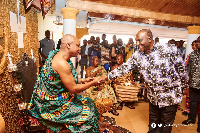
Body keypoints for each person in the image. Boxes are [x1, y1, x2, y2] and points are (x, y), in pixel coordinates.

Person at [101, 29, 188, 133]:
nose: (137, 44)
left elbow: (182, 69)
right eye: (136, 41)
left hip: (170, 97)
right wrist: (106, 76)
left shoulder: (168, 49)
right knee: (153, 126)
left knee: (165, 128)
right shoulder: (138, 55)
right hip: (153, 97)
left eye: (139, 40)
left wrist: (185, 86)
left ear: (149, 39)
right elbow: (124, 67)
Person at [28, 34, 104, 133]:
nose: (79, 48)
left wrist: (84, 80)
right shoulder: (61, 63)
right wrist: (93, 82)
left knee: (89, 102)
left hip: (55, 98)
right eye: (77, 45)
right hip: (51, 105)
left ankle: (95, 128)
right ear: (68, 45)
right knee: (89, 113)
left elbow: (61, 79)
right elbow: (74, 89)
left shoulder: (56, 54)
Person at [182, 38, 200, 133]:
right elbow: (188, 69)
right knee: (193, 102)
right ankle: (191, 119)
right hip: (193, 84)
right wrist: (187, 83)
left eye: (199, 42)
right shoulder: (192, 55)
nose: (197, 43)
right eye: (197, 41)